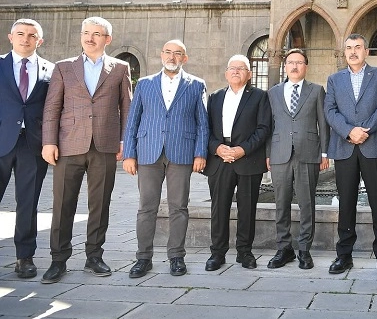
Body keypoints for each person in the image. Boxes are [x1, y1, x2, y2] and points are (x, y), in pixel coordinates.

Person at [41, 16, 132, 284]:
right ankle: (58, 260)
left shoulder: (120, 68)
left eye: (96, 34)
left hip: (105, 145)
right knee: (62, 204)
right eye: (86, 33)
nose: (89, 38)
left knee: (100, 204)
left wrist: (125, 142)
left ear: (107, 39)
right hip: (68, 144)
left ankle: (94, 256)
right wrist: (49, 141)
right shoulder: (63, 67)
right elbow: (52, 107)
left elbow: (127, 107)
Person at [123, 39, 208, 278]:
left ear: (184, 58)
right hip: (148, 151)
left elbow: (203, 123)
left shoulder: (196, 85)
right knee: (146, 207)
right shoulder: (145, 84)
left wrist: (200, 153)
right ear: (161, 55)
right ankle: (143, 258)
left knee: (178, 207)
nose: (172, 57)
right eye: (168, 52)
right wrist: (129, 154)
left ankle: (176, 257)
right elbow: (132, 121)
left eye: (177, 53)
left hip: (181, 152)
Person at [324, 33, 377, 276]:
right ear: (344, 52)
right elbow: (330, 111)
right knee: (346, 202)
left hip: (374, 145)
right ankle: (344, 255)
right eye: (349, 48)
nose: (353, 52)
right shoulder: (334, 79)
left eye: (357, 47)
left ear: (366, 51)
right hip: (344, 146)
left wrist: (365, 130)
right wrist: (349, 131)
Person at [204, 55, 270, 271]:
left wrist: (243, 149)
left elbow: (263, 129)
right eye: (232, 68)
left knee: (247, 208)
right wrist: (217, 148)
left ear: (249, 74)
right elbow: (206, 128)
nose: (236, 71)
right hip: (220, 159)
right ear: (226, 73)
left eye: (241, 68)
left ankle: (244, 252)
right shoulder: (215, 97)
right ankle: (217, 253)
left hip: (248, 158)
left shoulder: (260, 96)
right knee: (219, 208)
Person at [0, 19, 54, 278]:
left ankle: (24, 257)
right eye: (20, 34)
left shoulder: (51, 70)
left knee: (28, 202)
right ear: (10, 37)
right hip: (1, 140)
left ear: (39, 41)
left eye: (32, 35)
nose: (25, 38)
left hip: (33, 145)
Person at [266, 49, 328, 269]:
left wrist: (324, 153)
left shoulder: (317, 91)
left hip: (308, 153)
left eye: (299, 62)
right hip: (279, 154)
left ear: (306, 67)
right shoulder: (273, 92)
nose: (294, 66)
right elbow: (269, 125)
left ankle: (304, 250)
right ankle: (284, 249)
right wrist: (268, 154)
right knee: (281, 203)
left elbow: (323, 123)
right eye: (291, 62)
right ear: (285, 66)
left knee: (306, 203)